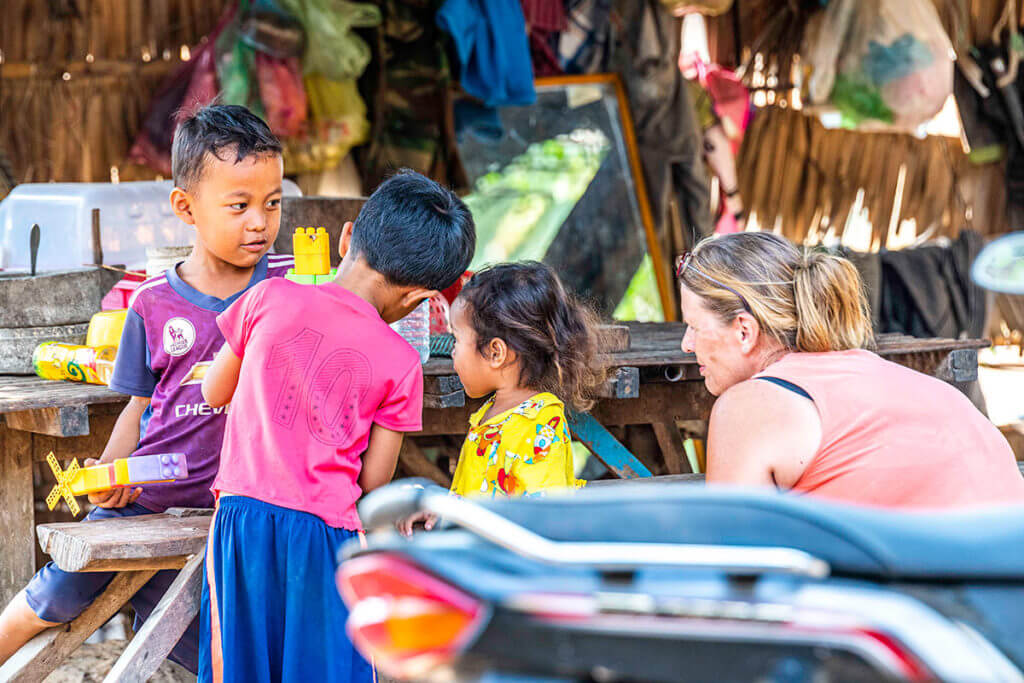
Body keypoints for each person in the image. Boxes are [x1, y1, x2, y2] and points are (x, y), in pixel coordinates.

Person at [0, 104, 292, 672]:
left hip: (250, 506)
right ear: (186, 207)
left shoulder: (290, 288)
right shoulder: (153, 302)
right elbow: (138, 405)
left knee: (224, 634)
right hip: (151, 499)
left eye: (273, 203)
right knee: (59, 590)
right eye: (239, 206)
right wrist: (110, 476)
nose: (260, 221)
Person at [198, 170, 476, 682]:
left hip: (243, 522)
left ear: (347, 237)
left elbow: (213, 392)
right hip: (327, 535)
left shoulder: (268, 298)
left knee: (240, 665)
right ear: (418, 298)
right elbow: (372, 483)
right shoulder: (401, 361)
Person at [677, 231, 1024, 508]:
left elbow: (737, 566)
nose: (686, 344)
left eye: (694, 325)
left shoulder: (749, 407)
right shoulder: (898, 380)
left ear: (744, 330)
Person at [399, 262, 605, 536]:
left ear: (496, 352)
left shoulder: (540, 424)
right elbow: (481, 491)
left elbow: (540, 520)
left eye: (457, 339)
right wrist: (446, 508)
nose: (452, 352)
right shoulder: (495, 411)